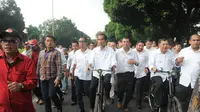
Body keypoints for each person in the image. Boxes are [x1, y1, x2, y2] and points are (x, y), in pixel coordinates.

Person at [0, 28, 38, 112]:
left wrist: (21, 85)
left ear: (19, 43)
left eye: (12, 41)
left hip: (23, 108)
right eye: (4, 40)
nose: (7, 44)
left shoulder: (27, 62)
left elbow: (33, 81)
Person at [88, 32, 116, 112]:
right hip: (96, 72)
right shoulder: (94, 50)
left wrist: (113, 66)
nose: (100, 41)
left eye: (102, 39)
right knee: (92, 89)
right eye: (98, 39)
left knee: (107, 82)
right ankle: (92, 106)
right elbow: (91, 60)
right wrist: (89, 65)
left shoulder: (110, 50)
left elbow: (113, 60)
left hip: (106, 71)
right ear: (97, 41)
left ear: (106, 41)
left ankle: (107, 96)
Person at [36, 35, 62, 112]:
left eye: (51, 41)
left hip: (52, 78)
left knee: (52, 94)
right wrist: (36, 76)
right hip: (43, 78)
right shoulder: (41, 52)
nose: (49, 42)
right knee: (45, 98)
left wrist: (58, 78)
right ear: (45, 42)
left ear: (54, 43)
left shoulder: (56, 53)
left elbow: (59, 66)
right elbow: (38, 64)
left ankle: (59, 106)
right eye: (47, 41)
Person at [149, 38, 175, 110]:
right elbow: (150, 64)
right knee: (159, 84)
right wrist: (153, 67)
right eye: (163, 44)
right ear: (159, 45)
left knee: (168, 90)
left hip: (167, 75)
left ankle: (164, 105)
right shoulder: (154, 53)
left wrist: (177, 62)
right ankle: (156, 104)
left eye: (166, 44)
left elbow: (174, 62)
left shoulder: (170, 53)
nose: (165, 46)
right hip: (157, 74)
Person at [176, 34, 200, 112]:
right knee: (183, 102)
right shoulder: (184, 51)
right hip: (185, 81)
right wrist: (177, 61)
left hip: (197, 83)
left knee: (195, 103)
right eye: (194, 40)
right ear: (190, 41)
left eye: (198, 40)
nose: (196, 42)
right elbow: (176, 63)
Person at [115, 37, 139, 112]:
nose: (125, 43)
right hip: (120, 74)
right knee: (120, 90)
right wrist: (113, 66)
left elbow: (138, 63)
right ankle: (119, 100)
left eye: (127, 42)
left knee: (129, 91)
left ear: (130, 43)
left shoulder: (133, 52)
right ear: (121, 43)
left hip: (130, 73)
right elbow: (113, 61)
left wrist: (134, 62)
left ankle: (125, 105)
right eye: (124, 42)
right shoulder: (117, 52)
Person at [72, 37, 92, 112]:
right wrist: (72, 74)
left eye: (83, 42)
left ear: (86, 43)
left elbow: (92, 63)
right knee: (78, 93)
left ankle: (92, 106)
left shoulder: (91, 52)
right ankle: (82, 109)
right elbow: (74, 64)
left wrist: (89, 66)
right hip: (78, 75)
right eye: (80, 42)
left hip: (87, 76)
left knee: (87, 92)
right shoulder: (77, 52)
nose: (81, 43)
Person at [28, 39, 44, 105]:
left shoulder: (42, 52)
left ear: (36, 45)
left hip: (41, 71)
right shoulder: (29, 52)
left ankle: (42, 98)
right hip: (32, 71)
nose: (31, 46)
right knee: (34, 87)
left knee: (41, 85)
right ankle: (40, 97)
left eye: (33, 45)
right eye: (30, 45)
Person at [134, 41, 149, 109]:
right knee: (130, 89)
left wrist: (147, 67)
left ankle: (138, 102)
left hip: (141, 73)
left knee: (139, 89)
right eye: (139, 45)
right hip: (132, 72)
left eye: (142, 46)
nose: (140, 47)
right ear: (136, 45)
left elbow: (148, 61)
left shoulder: (146, 53)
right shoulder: (132, 52)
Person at [67, 41, 79, 106]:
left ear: (78, 46)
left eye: (76, 46)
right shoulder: (70, 53)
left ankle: (79, 98)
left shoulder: (80, 53)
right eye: (73, 46)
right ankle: (74, 100)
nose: (74, 47)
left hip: (80, 72)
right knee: (73, 86)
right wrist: (68, 71)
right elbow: (68, 62)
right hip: (72, 72)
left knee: (79, 87)